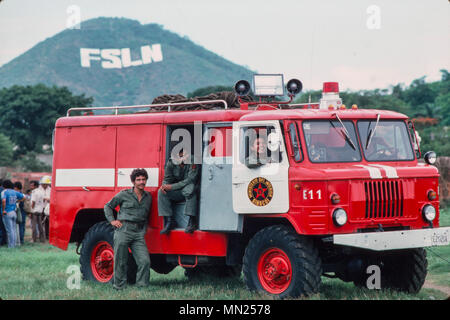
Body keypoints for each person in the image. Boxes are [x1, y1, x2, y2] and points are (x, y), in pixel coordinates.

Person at [104, 168, 152, 290]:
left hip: (138, 233)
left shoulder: (148, 197)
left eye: (143, 179)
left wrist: (144, 229)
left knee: (144, 261)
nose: (141, 182)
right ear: (133, 182)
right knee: (121, 261)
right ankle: (119, 287)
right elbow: (108, 206)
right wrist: (112, 221)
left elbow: (147, 216)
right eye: (138, 180)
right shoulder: (124, 194)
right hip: (123, 230)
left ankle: (142, 286)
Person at [158, 150, 200, 234]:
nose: (181, 158)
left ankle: (192, 221)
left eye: (183, 155)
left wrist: (172, 187)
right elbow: (167, 178)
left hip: (189, 188)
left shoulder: (193, 161)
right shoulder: (171, 162)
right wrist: (164, 186)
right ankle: (170, 221)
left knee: (190, 188)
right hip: (178, 190)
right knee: (161, 192)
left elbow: (190, 180)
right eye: (178, 156)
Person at [1, 179, 24, 248]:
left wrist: (3, 210)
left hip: (7, 212)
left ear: (4, 185)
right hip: (14, 212)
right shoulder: (14, 192)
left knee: (9, 230)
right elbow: (24, 197)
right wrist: (17, 201)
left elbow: (4, 200)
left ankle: (11, 246)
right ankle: (14, 244)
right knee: (13, 230)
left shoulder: (4, 192)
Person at [0, 179, 7, 246]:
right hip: (5, 210)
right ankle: (4, 241)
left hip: (2, 210)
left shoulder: (3, 191)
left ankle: (1, 242)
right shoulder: (4, 190)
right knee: (4, 227)